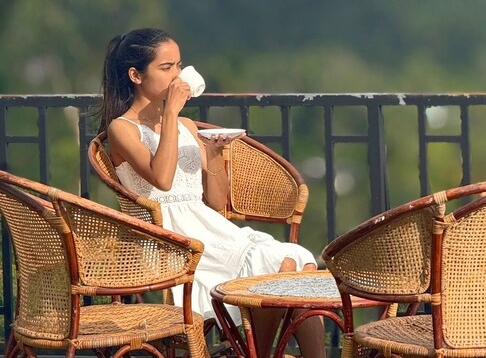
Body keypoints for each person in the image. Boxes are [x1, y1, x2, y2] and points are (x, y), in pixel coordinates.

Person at [100, 27, 325, 358]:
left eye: (179, 66)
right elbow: (161, 179)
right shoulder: (123, 129)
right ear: (136, 75)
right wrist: (172, 112)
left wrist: (216, 153)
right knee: (280, 267)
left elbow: (216, 203)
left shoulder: (187, 127)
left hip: (208, 226)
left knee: (297, 263)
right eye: (166, 68)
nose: (177, 76)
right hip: (171, 242)